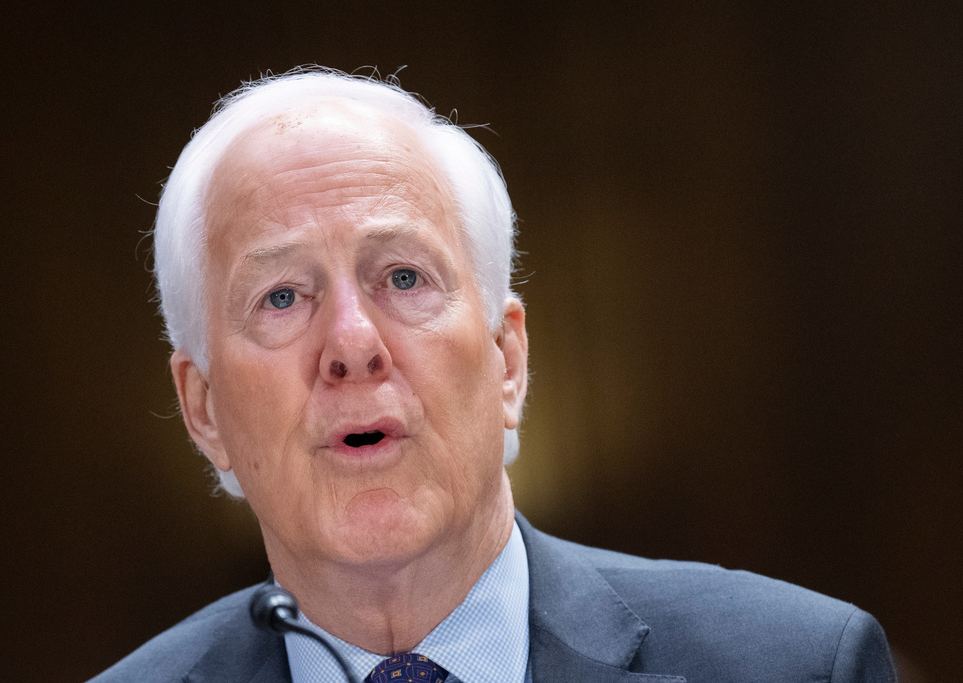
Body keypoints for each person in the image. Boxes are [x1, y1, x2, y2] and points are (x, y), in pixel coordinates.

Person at [91, 68, 897, 682]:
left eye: (403, 277)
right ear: (203, 411)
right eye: (282, 295)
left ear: (508, 361)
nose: (352, 342)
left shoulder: (797, 664)